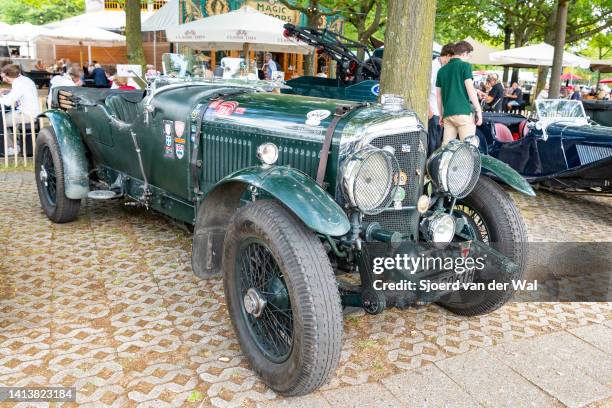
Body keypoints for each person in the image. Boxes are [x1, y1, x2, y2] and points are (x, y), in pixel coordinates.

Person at [435, 40, 482, 145]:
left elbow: (439, 96)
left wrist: (441, 114)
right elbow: (470, 90)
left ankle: (444, 162)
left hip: (448, 114)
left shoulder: (441, 70)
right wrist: (478, 110)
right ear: (464, 53)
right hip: (463, 113)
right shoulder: (465, 66)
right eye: (469, 55)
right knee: (468, 148)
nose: (469, 58)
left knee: (447, 150)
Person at [0, 64, 41, 156]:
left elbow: (7, 102)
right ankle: (13, 145)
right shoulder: (23, 80)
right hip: (30, 111)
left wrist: (1, 96)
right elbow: (16, 95)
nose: (2, 79)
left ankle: (11, 148)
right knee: (4, 119)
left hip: (27, 114)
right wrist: (6, 92)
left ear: (8, 75)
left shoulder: (19, 84)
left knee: (1, 121)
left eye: (3, 76)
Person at [428, 43, 454, 154]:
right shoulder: (433, 67)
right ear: (448, 55)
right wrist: (429, 110)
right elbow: (426, 89)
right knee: (432, 144)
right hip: (433, 111)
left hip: (441, 112)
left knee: (438, 143)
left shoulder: (445, 68)